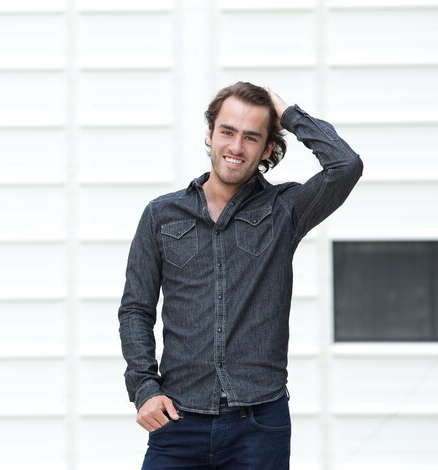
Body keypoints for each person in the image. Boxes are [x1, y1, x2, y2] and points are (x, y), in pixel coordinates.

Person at [118, 82, 363, 469]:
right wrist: (144, 389)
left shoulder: (286, 210)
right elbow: (135, 310)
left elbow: (345, 165)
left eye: (251, 137)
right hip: (178, 421)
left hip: (259, 425)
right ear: (210, 134)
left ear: (268, 149)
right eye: (227, 132)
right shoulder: (161, 215)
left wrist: (287, 114)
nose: (235, 147)